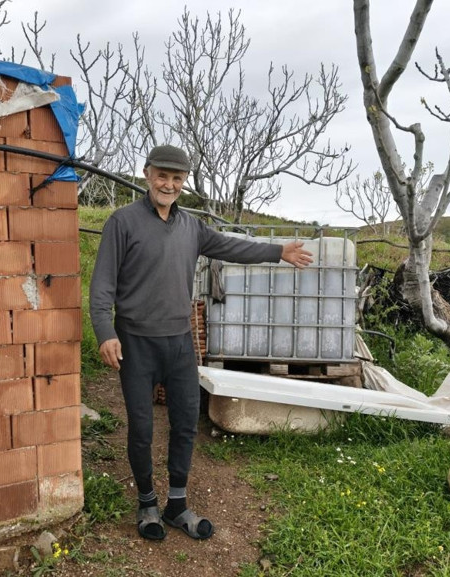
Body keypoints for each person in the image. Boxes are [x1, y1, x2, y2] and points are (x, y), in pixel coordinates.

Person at [89, 144, 314, 541]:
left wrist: (276, 251)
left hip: (179, 343)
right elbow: (102, 284)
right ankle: (146, 504)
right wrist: (105, 333)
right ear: (147, 174)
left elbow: (231, 246)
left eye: (177, 178)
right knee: (141, 427)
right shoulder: (122, 223)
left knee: (185, 422)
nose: (168, 184)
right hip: (135, 342)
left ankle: (176, 504)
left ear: (183, 183)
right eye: (162, 175)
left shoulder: (191, 227)